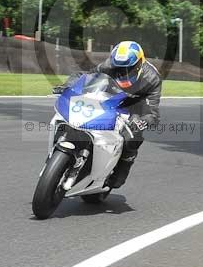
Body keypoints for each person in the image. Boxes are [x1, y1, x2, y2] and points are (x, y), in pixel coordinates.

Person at [54, 40, 162, 189]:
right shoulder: (108, 66)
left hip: (135, 108)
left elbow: (153, 113)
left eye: (127, 69)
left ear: (138, 64)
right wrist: (66, 87)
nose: (122, 73)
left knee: (132, 136)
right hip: (110, 99)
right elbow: (85, 77)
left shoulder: (152, 78)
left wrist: (142, 121)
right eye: (118, 68)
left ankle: (122, 168)